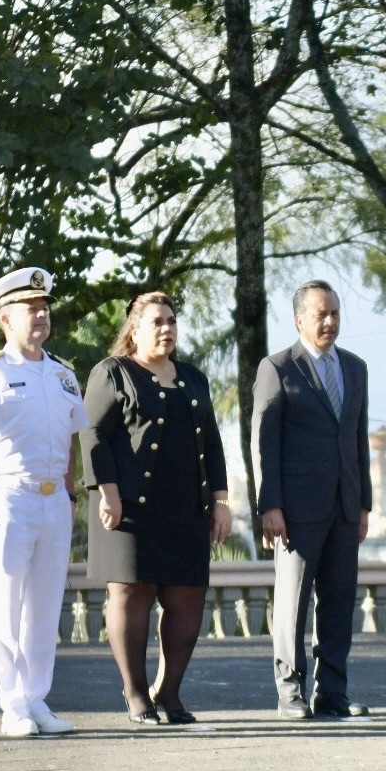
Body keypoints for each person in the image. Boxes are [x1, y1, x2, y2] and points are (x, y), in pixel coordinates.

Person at [81, 292, 230, 726]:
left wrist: (220, 501)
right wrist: (105, 489)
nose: (166, 329)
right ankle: (135, 694)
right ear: (134, 329)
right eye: (156, 322)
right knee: (132, 595)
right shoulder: (112, 372)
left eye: (171, 321)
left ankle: (169, 691)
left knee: (187, 598)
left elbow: (212, 444)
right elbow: (92, 434)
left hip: (185, 507)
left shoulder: (192, 378)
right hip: (127, 508)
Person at [0, 267, 87, 738]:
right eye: (30, 308)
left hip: (54, 499)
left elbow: (71, 443)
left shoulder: (63, 374)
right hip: (9, 495)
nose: (40, 316)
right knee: (9, 602)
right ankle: (12, 706)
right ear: (5, 318)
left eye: (44, 307)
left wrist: (70, 494)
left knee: (46, 605)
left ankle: (37, 699)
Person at [252, 279, 372, 720]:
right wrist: (270, 505)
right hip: (297, 510)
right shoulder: (278, 367)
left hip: (345, 506)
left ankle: (332, 692)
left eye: (335, 313)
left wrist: (364, 505)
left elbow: (357, 438)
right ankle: (290, 692)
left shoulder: (355, 368)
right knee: (293, 603)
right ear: (299, 319)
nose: (329, 321)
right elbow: (264, 443)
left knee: (340, 602)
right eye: (321, 314)